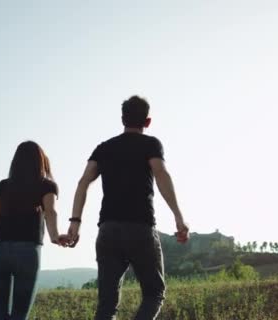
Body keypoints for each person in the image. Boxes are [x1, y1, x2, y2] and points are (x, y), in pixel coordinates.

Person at [66, 95, 189, 320]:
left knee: (106, 305)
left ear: (122, 118)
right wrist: (178, 217)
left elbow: (83, 182)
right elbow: (161, 174)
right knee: (154, 293)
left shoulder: (103, 148)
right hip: (140, 228)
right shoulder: (151, 144)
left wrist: (75, 222)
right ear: (148, 121)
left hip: (108, 229)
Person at [0, 141, 67, 320]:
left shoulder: (3, 186)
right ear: (41, 162)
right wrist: (55, 236)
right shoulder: (47, 185)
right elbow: (50, 211)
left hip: (0, 252)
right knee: (19, 316)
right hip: (28, 252)